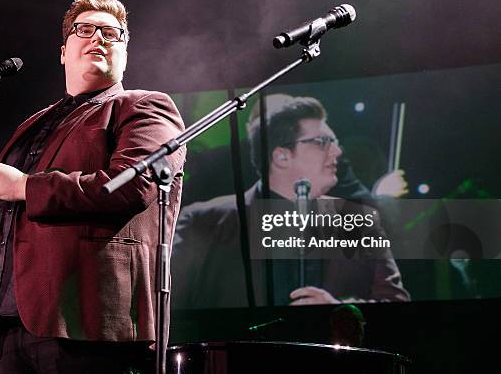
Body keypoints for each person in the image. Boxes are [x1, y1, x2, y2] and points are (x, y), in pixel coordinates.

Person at [0, 0, 186, 374]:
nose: (98, 37)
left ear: (125, 54)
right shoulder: (32, 125)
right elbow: (4, 217)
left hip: (86, 322)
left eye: (111, 33)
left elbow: (130, 185)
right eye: (85, 29)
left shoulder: (144, 106)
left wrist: (24, 186)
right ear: (64, 51)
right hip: (11, 326)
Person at [172, 94, 409, 309]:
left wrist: (339, 310)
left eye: (335, 143)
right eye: (323, 142)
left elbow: (396, 304)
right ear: (281, 156)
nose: (337, 152)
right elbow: (173, 308)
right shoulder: (204, 220)